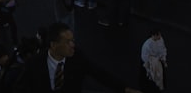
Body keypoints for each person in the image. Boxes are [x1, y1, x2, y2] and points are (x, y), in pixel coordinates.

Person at [12, 22, 140, 93]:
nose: (72, 45)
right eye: (67, 42)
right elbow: (21, 88)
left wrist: (124, 88)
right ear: (54, 45)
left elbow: (99, 73)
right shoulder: (34, 63)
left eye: (72, 40)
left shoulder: (77, 57)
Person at [139, 29, 167, 93]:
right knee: (149, 81)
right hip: (149, 63)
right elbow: (145, 58)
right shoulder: (147, 45)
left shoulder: (160, 40)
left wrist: (163, 59)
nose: (160, 36)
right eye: (158, 35)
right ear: (153, 36)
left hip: (157, 62)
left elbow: (163, 49)